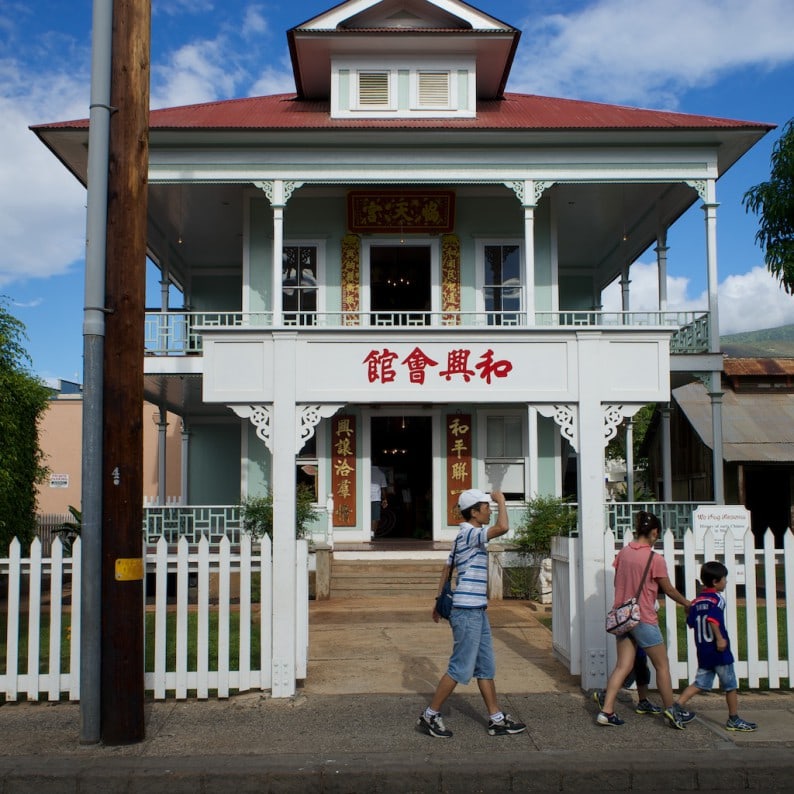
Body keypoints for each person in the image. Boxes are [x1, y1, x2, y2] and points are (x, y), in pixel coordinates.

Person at [417, 489, 526, 739]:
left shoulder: (464, 535)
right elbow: (503, 528)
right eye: (486, 507)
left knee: (485, 666)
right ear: (474, 512)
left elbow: (447, 568)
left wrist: (438, 601)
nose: (489, 510)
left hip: (476, 609)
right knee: (460, 668)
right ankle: (429, 715)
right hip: (467, 611)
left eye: (490, 506)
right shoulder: (470, 533)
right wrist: (502, 502)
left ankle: (496, 719)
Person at [597, 510, 692, 729]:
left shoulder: (624, 553)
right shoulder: (654, 559)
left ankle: (607, 711)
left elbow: (619, 582)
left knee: (622, 666)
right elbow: (667, 589)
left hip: (623, 617)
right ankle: (672, 710)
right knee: (662, 666)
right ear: (654, 532)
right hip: (643, 617)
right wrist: (687, 603)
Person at [677, 561, 758, 732]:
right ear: (715, 582)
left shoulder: (697, 601)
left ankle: (676, 707)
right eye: (724, 579)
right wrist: (720, 639)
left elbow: (691, 622)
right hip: (718, 651)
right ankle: (734, 718)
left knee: (699, 683)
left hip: (703, 651)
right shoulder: (717, 599)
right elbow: (713, 620)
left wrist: (687, 611)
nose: (726, 582)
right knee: (730, 685)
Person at [593, 641, 662, 716]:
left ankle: (643, 701)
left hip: (639, 640)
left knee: (642, 669)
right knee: (629, 672)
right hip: (635, 637)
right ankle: (604, 694)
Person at [370, 464, 387, 539]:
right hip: (376, 497)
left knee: (366, 516)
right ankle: (372, 533)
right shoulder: (381, 473)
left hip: (364, 497)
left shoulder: (365, 471)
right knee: (375, 517)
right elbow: (383, 488)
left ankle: (366, 533)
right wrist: (385, 499)